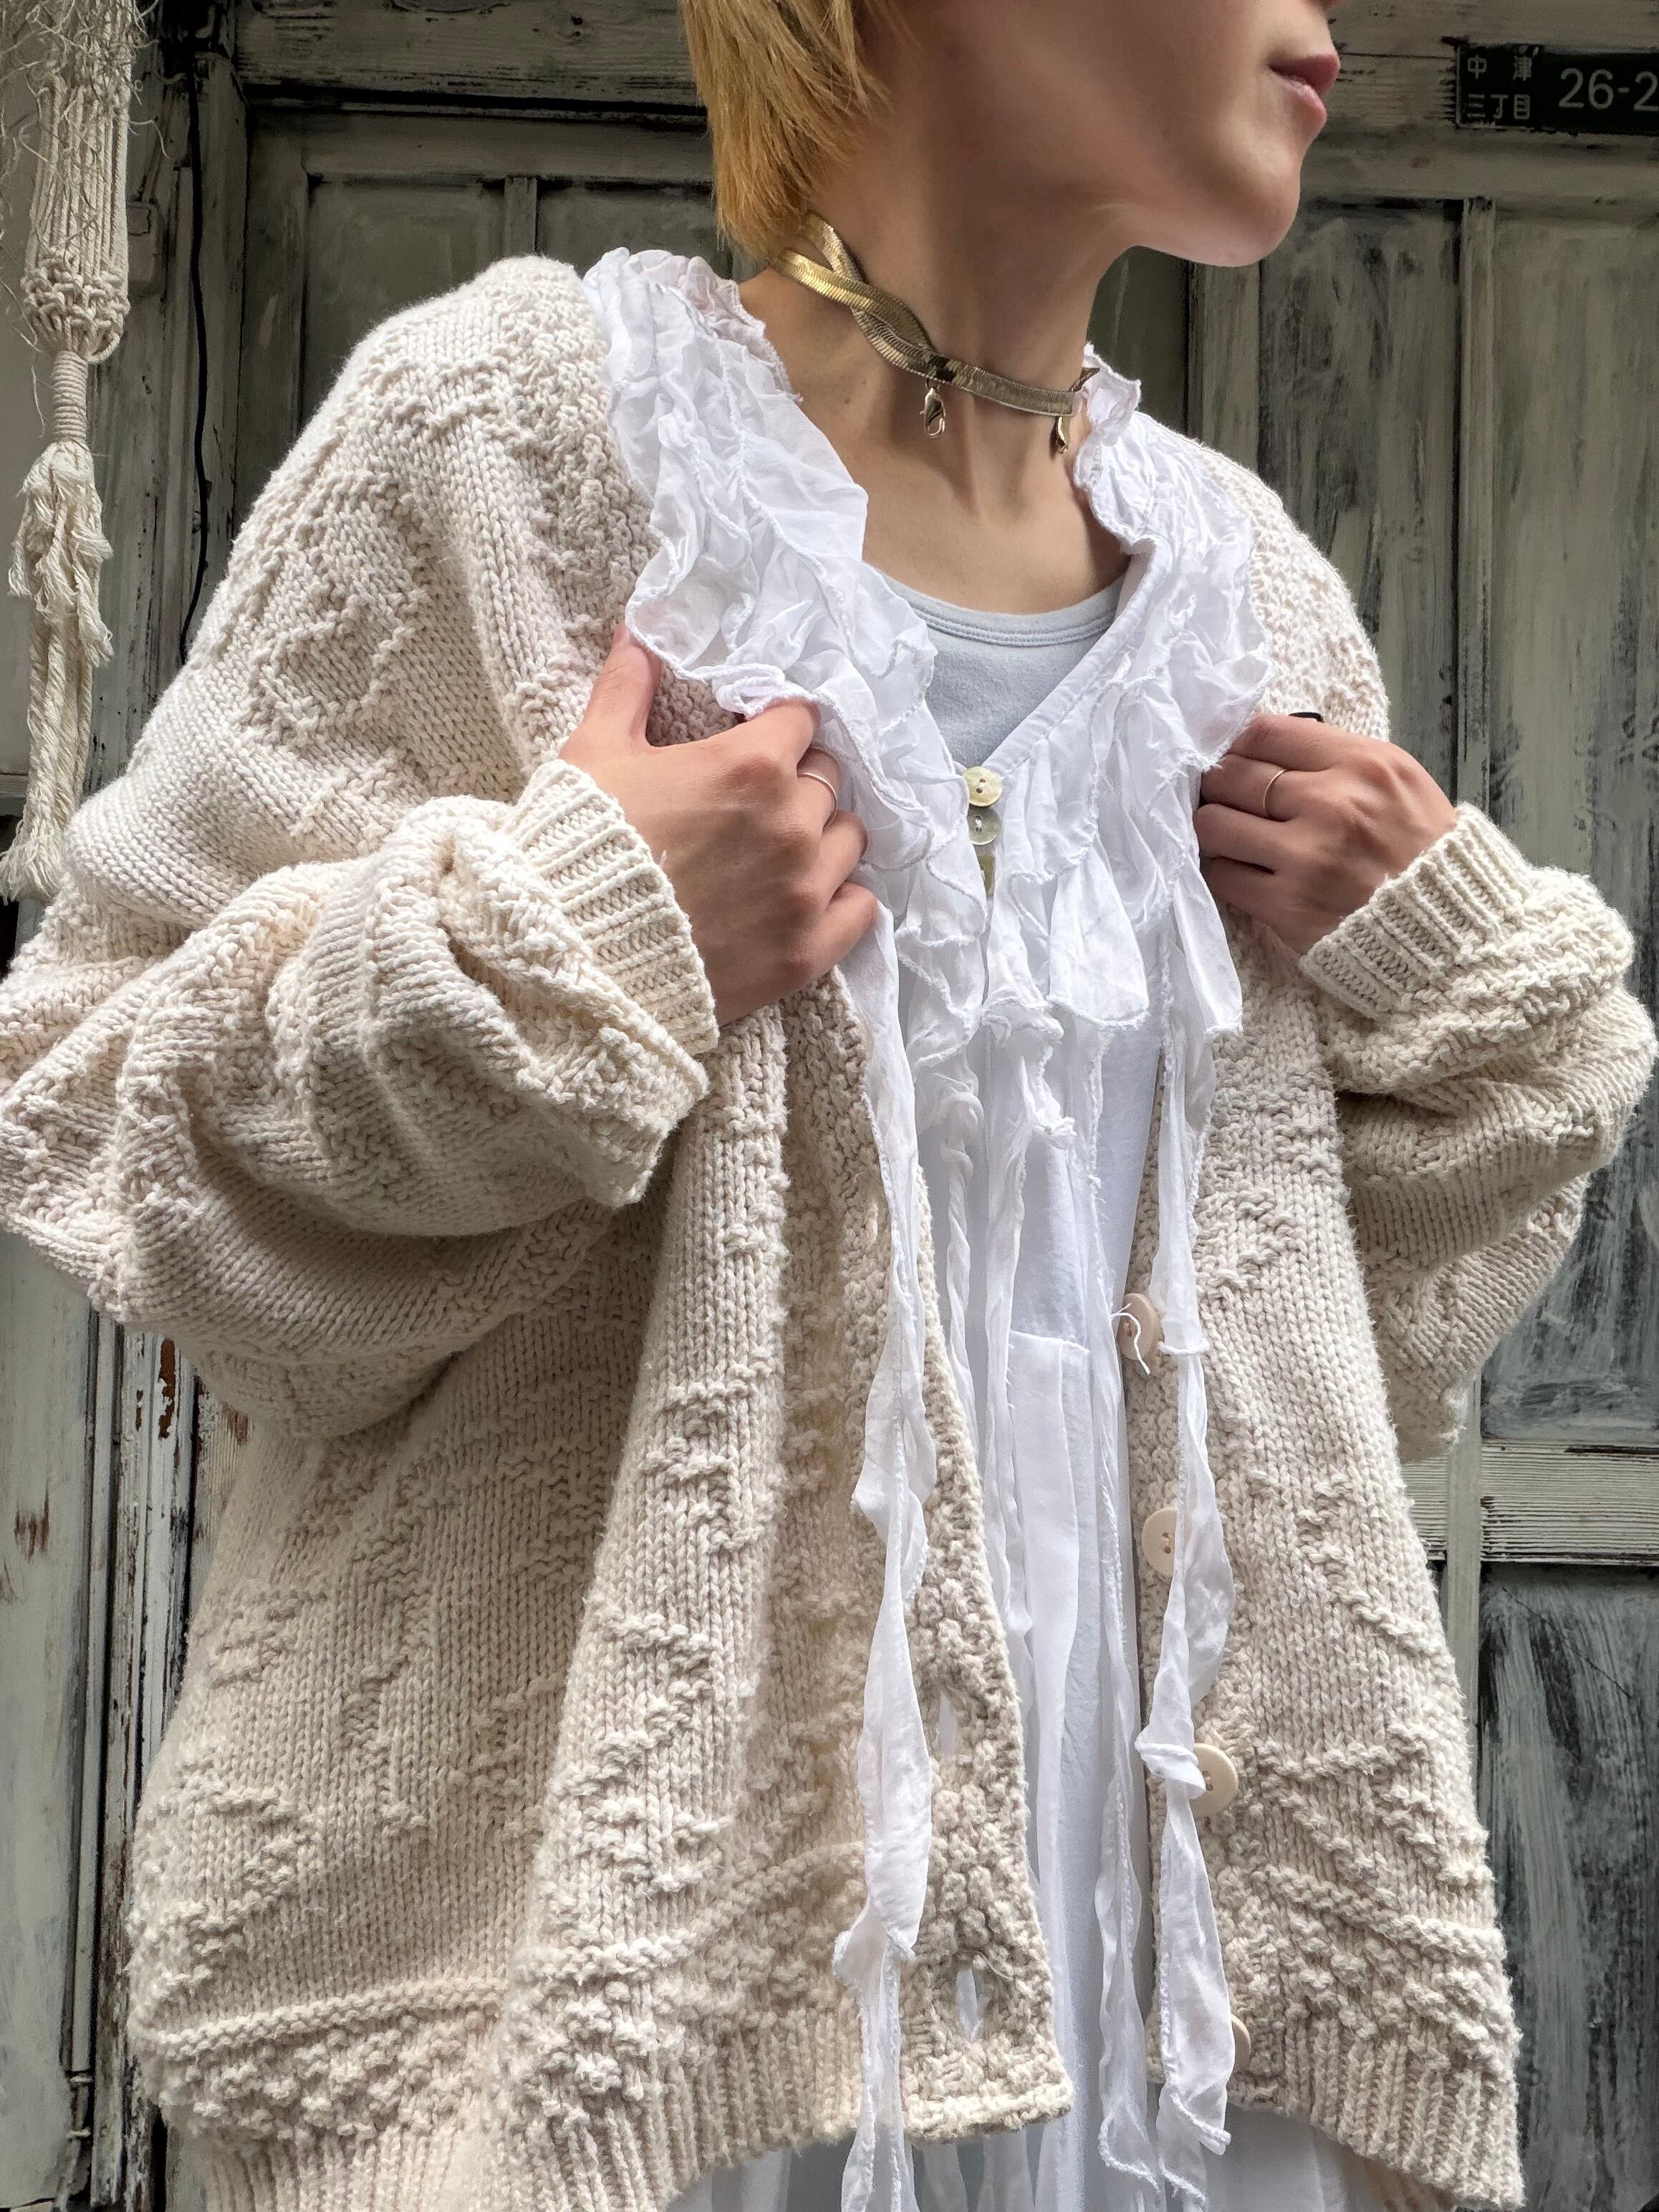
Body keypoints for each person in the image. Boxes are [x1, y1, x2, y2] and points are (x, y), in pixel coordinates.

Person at [0, 1, 1652, 2210]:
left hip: (1176, 2040)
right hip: (627, 2035)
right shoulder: (513, 444)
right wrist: (578, 939)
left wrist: (1455, 991)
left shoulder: (1247, 600)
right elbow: (98, 1112)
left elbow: (1372, 1354)